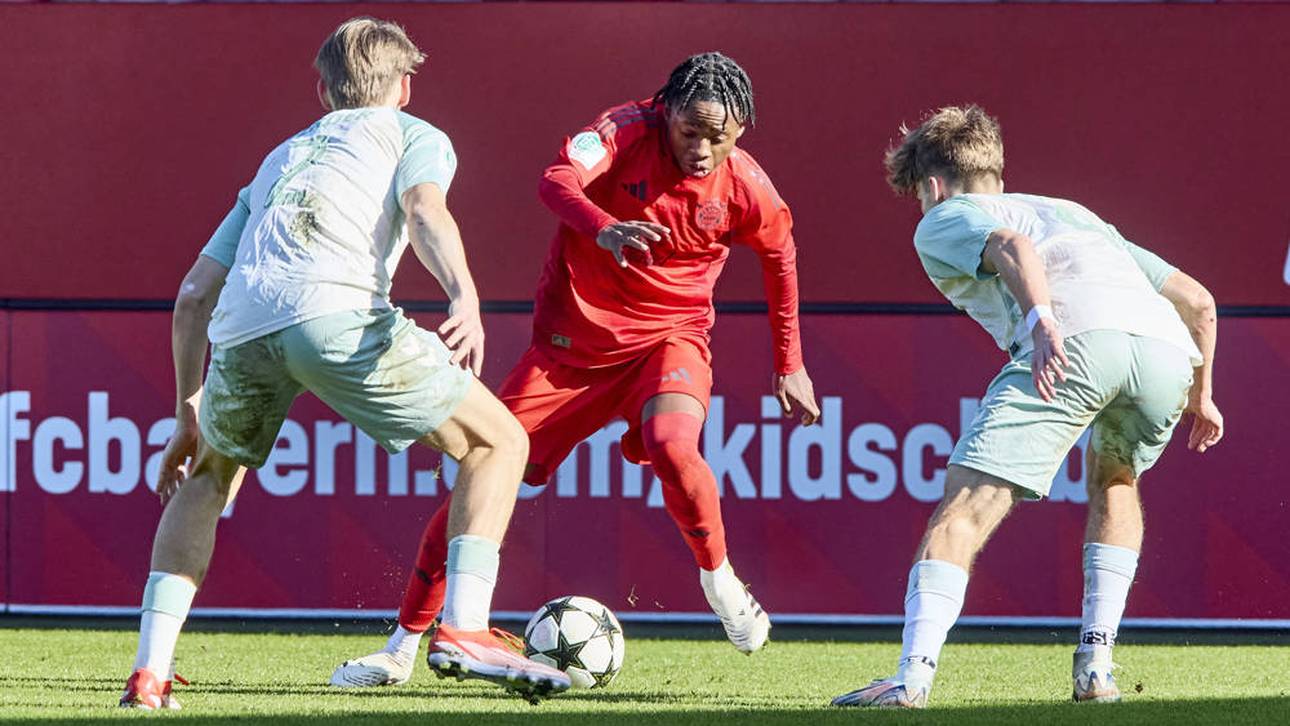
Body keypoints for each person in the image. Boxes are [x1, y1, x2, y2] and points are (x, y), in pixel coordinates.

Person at [119, 17, 569, 709]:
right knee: (500, 439)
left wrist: (187, 409)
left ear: (323, 91)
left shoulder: (281, 156)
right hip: (335, 316)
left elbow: (193, 294)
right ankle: (465, 627)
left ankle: (149, 674)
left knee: (208, 478)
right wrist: (464, 295)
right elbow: (424, 210)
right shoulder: (413, 134)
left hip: (241, 331)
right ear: (406, 86)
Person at [331, 51, 821, 688]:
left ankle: (720, 581)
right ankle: (401, 647)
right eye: (690, 131)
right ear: (666, 112)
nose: (703, 148)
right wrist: (604, 228)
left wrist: (791, 364)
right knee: (478, 483)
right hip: (568, 354)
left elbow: (780, 258)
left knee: (676, 447)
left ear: (742, 131)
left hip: (669, 342)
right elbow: (556, 180)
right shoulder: (623, 129)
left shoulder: (746, 186)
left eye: (719, 136)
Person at [832, 106, 1224, 709]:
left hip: (1075, 343)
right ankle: (1096, 668)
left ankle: (910, 680)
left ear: (931, 185)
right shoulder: (1074, 213)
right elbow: (1199, 303)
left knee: (964, 506)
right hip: (1165, 357)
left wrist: (1042, 323)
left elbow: (1010, 244)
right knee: (1116, 479)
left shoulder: (944, 216)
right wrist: (1202, 395)